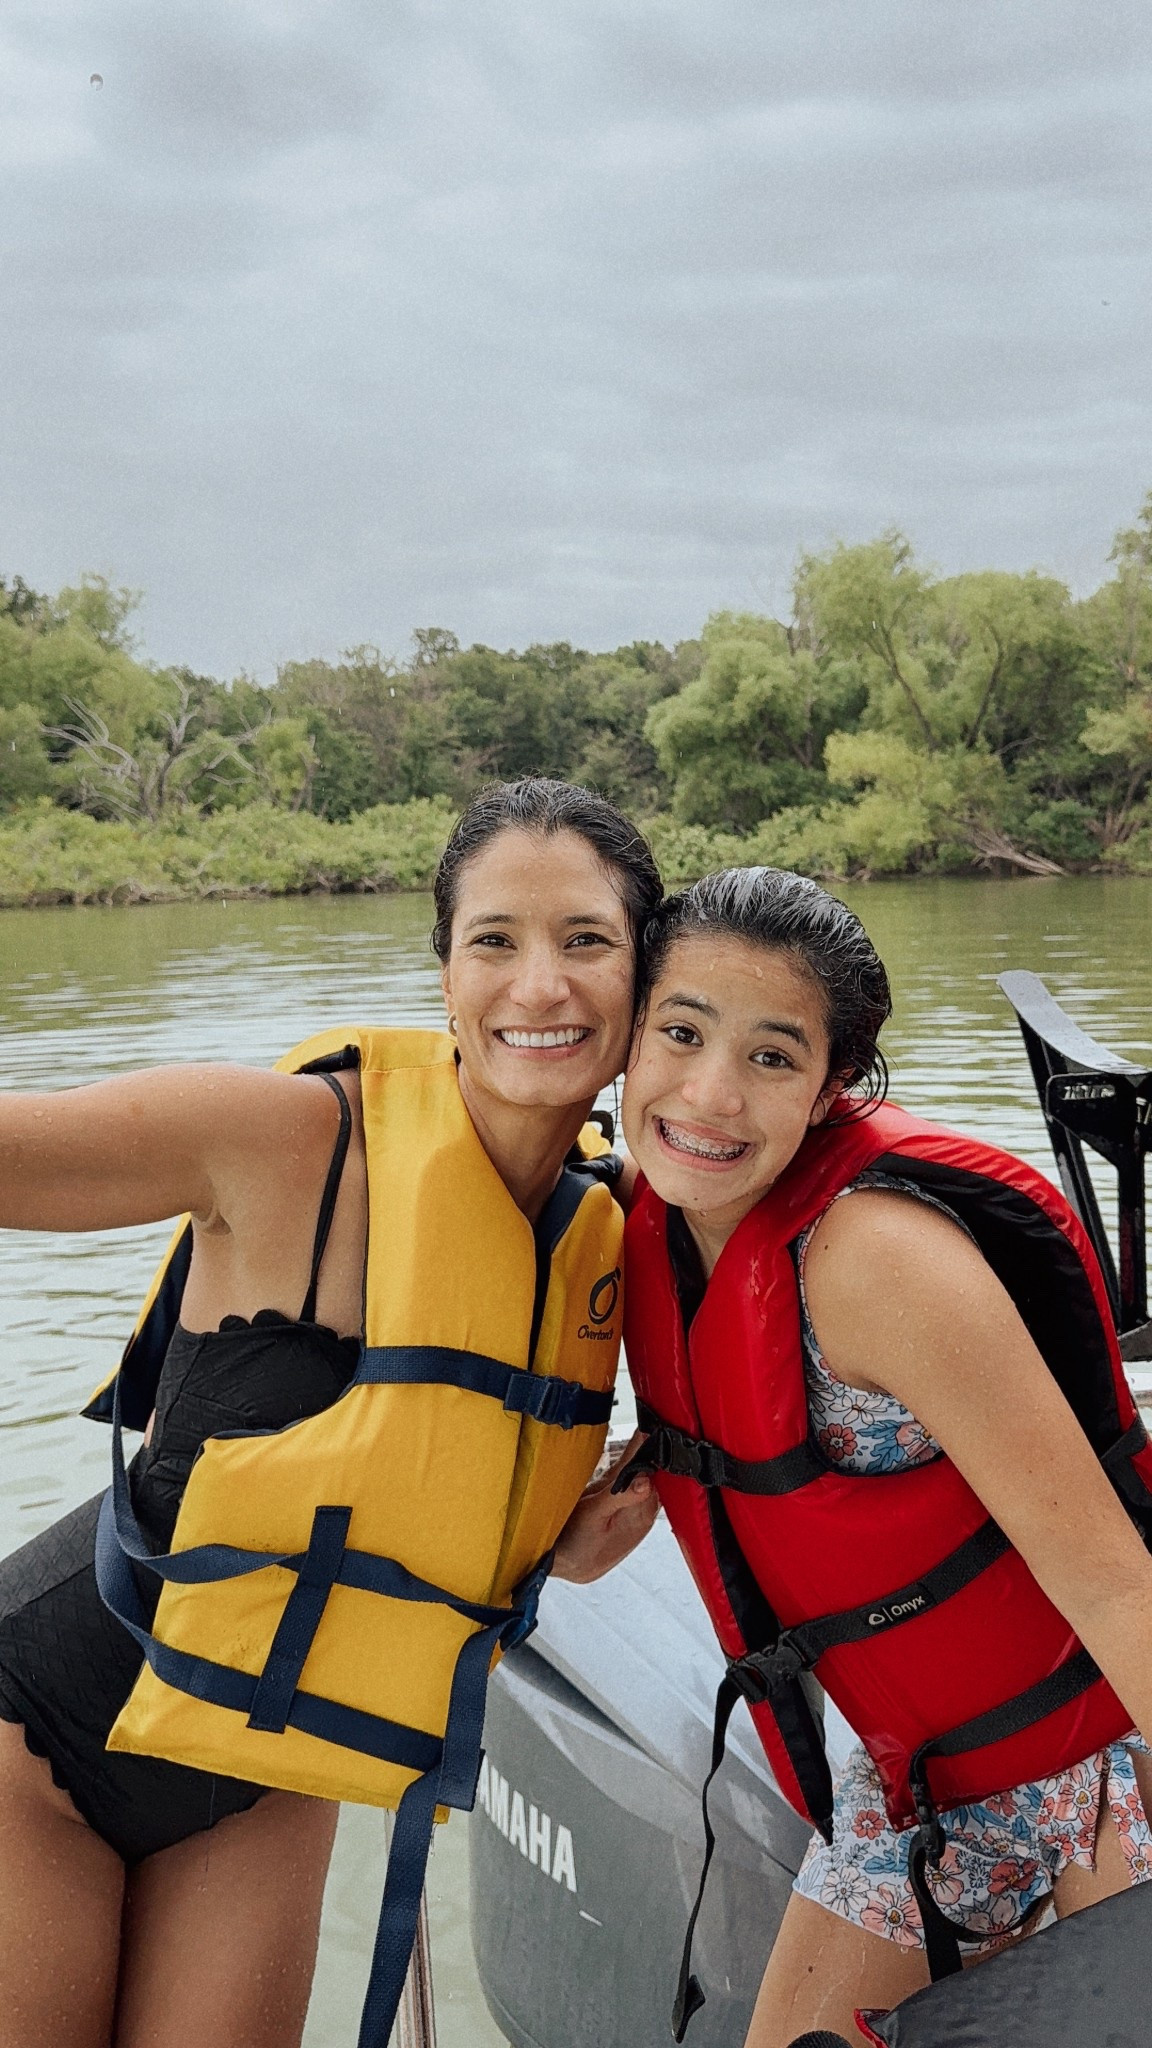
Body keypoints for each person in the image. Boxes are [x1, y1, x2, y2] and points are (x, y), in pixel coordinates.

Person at [0, 776, 661, 2048]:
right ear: (445, 976)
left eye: (587, 939)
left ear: (642, 978)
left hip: (264, 1767)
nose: (541, 985)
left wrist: (549, 1545)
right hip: (41, 1736)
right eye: (495, 941)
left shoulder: (620, 1232)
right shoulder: (283, 1140)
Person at [563, 866, 1152, 2048]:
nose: (712, 1094)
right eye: (680, 1032)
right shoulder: (639, 1229)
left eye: (774, 1056)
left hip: (1104, 1771)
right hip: (916, 1794)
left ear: (834, 1085)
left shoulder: (877, 1257)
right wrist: (572, 1544)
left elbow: (1115, 1579)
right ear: (628, 1040)